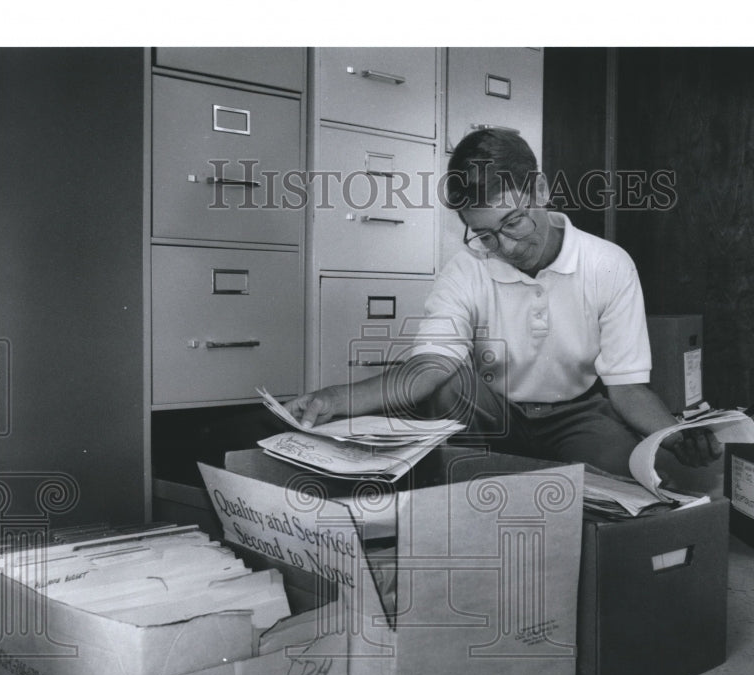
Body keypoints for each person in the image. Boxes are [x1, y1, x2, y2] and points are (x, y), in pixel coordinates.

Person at [284, 128, 720, 476]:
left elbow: (626, 388)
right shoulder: (467, 267)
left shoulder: (608, 264)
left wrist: (676, 435)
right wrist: (335, 399)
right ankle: (473, 483)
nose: (506, 246)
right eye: (486, 234)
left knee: (641, 475)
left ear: (541, 191)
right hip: (492, 411)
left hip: (573, 414)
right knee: (449, 382)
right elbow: (427, 370)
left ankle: (519, 474)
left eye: (513, 222)